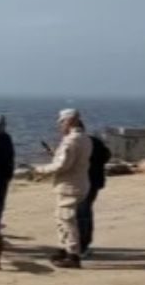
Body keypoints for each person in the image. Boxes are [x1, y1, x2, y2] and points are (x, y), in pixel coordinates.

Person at [32, 109, 93, 269]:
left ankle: (73, 254)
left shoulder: (71, 141)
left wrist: (41, 169)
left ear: (70, 121)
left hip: (70, 186)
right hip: (78, 183)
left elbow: (62, 165)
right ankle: (64, 249)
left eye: (62, 122)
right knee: (61, 218)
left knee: (67, 220)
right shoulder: (85, 138)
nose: (60, 125)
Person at [78, 127, 113, 258]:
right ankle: (85, 243)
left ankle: (82, 245)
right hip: (96, 182)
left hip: (85, 182)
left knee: (82, 214)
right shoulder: (96, 142)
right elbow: (107, 156)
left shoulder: (80, 143)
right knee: (87, 212)